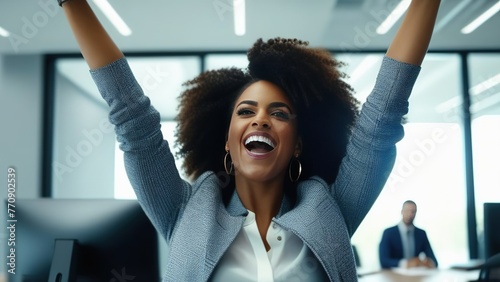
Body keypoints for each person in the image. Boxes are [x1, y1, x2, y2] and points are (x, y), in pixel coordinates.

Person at [58, 0, 440, 281]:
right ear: (227, 141)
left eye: (279, 113)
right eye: (246, 111)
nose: (261, 118)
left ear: (299, 144)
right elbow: (134, 122)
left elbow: (382, 119)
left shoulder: (331, 209)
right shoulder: (185, 210)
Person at [379, 200, 439, 269]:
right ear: (401, 212)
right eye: (407, 211)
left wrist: (428, 262)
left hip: (416, 276)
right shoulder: (388, 233)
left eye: (413, 211)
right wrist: (406, 264)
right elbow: (383, 261)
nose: (410, 214)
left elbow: (434, 261)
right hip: (394, 276)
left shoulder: (421, 234)